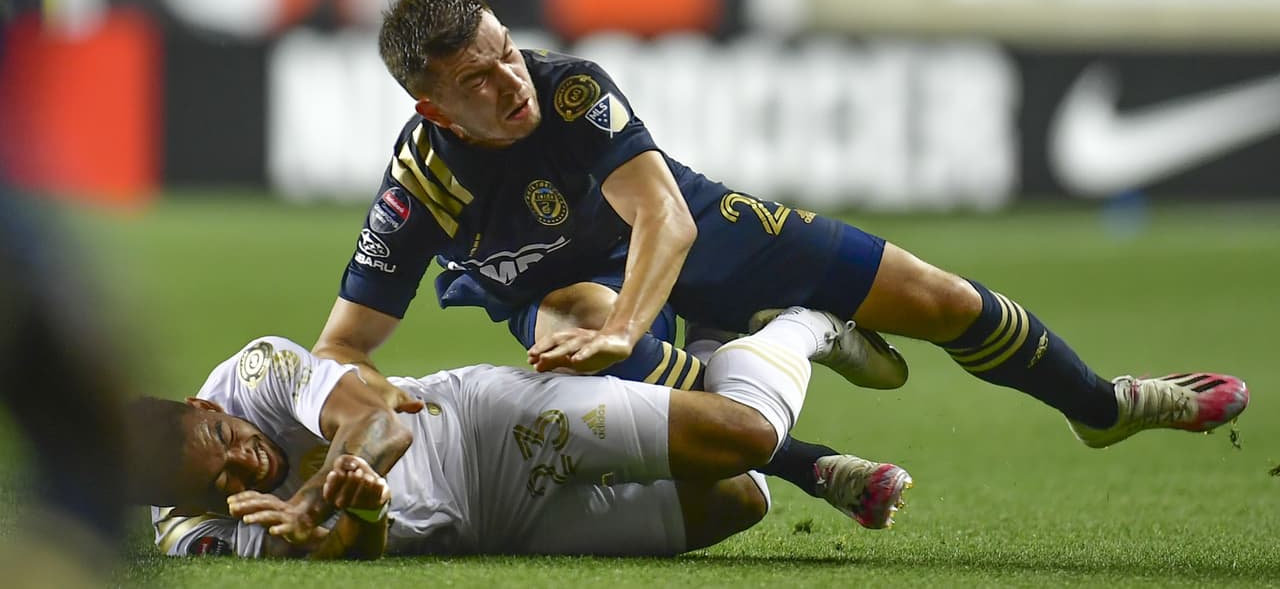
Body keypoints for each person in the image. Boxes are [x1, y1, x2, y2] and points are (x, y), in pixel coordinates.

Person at [313, 0, 1248, 455]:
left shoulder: (569, 91)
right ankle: (788, 357)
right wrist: (375, 405)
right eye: (478, 79)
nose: (510, 80)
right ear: (434, 108)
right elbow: (341, 344)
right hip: (574, 289)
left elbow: (664, 218)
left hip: (689, 227)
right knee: (580, 335)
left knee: (939, 298)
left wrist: (632, 323)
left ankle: (1103, 408)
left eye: (507, 52)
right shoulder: (419, 187)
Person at [130, 309, 913, 559]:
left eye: (224, 436)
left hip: (486, 426)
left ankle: (804, 323)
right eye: (222, 481)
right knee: (741, 499)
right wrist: (360, 513)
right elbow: (339, 555)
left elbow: (378, 423)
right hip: (496, 526)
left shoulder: (255, 371)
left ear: (200, 403)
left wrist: (311, 499)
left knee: (746, 432)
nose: (245, 461)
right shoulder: (195, 538)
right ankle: (714, 345)